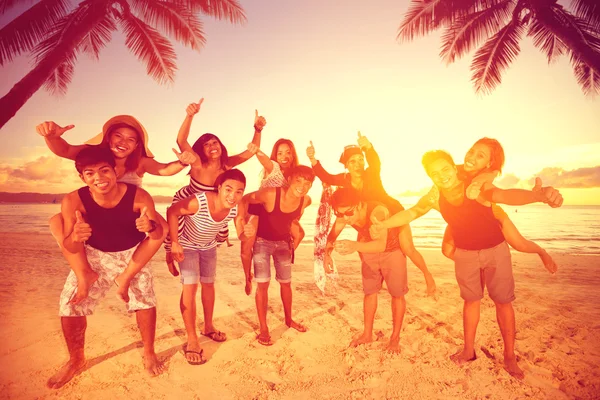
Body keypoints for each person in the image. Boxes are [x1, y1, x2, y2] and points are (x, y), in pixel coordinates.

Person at [373, 150, 563, 379]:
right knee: (471, 301)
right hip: (465, 254)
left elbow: (505, 195)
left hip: (495, 250)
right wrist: (386, 224)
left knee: (503, 301)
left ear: (455, 167)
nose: (442, 176)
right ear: (430, 178)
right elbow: (412, 212)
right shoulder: (434, 196)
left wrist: (538, 196)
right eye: (434, 173)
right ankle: (468, 350)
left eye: (445, 169)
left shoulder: (475, 185)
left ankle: (510, 356)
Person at [37, 116, 192, 303]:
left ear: (136, 146)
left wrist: (183, 162)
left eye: (130, 139)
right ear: (108, 137)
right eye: (118, 136)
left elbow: (165, 170)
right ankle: (82, 273)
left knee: (163, 228)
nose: (122, 142)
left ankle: (126, 277)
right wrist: (52, 137)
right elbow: (65, 149)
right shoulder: (94, 154)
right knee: (56, 222)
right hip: (100, 208)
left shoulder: (140, 162)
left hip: (132, 210)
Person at [47, 146, 167, 389]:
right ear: (82, 178)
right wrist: (76, 236)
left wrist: (149, 225)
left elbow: (157, 232)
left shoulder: (139, 197)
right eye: (90, 173)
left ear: (114, 171)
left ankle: (149, 352)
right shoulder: (73, 200)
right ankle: (76, 359)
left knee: (144, 300)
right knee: (70, 304)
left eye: (104, 171)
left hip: (131, 253)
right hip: (94, 255)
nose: (99, 178)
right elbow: (69, 246)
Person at [307, 132, 436, 296]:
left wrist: (368, 147)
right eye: (352, 161)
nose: (358, 164)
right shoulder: (344, 180)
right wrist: (313, 160)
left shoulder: (371, 174)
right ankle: (377, 276)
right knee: (363, 248)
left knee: (408, 248)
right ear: (346, 165)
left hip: (392, 214)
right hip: (368, 220)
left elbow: (375, 162)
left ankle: (427, 275)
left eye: (360, 160)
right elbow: (326, 176)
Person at [164, 98, 265, 273]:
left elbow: (251, 151)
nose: (212, 146)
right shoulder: (197, 163)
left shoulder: (226, 165)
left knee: (220, 235)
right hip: (190, 203)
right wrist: (189, 116)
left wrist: (257, 129)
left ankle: (200, 252)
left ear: (221, 146)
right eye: (206, 144)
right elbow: (181, 140)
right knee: (175, 232)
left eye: (214, 142)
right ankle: (169, 256)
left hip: (211, 208)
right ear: (200, 150)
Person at [167, 169, 254, 365]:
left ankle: (208, 327)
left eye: (239, 191)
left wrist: (246, 232)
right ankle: (192, 339)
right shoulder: (200, 201)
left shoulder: (236, 208)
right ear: (220, 187)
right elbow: (172, 211)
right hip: (187, 245)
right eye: (229, 189)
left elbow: (240, 233)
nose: (233, 196)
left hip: (208, 247)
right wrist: (174, 242)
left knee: (208, 285)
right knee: (190, 287)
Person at [442, 138, 557, 273]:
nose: (471, 157)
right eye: (471, 151)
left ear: (489, 163)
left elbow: (503, 195)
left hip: (490, 214)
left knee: (519, 244)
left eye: (480, 155)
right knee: (447, 250)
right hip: (463, 217)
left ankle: (541, 252)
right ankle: (479, 265)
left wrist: (536, 197)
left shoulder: (485, 177)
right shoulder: (456, 170)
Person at [329, 187, 413, 353]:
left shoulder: (378, 211)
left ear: (359, 205)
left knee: (397, 294)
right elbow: (332, 235)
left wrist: (354, 246)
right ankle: (367, 334)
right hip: (367, 249)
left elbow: (381, 244)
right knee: (370, 292)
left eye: (349, 212)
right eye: (340, 214)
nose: (346, 218)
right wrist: (326, 255)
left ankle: (395, 338)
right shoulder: (344, 215)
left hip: (392, 251)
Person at [241, 165, 314, 346]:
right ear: (288, 180)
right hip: (262, 243)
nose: (302, 186)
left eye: (307, 183)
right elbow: (244, 199)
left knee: (286, 284)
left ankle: (289, 320)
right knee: (263, 285)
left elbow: (293, 218)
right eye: (298, 180)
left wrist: (292, 242)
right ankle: (264, 328)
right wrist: (242, 222)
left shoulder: (305, 200)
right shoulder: (270, 194)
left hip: (283, 244)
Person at [240, 138, 304, 295]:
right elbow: (264, 160)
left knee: (300, 234)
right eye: (280, 153)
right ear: (275, 155)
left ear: (293, 154)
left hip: (278, 212)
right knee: (246, 248)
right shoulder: (273, 168)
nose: (284, 156)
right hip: (260, 207)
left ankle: (284, 256)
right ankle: (248, 276)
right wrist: (256, 151)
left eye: (288, 152)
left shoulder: (296, 174)